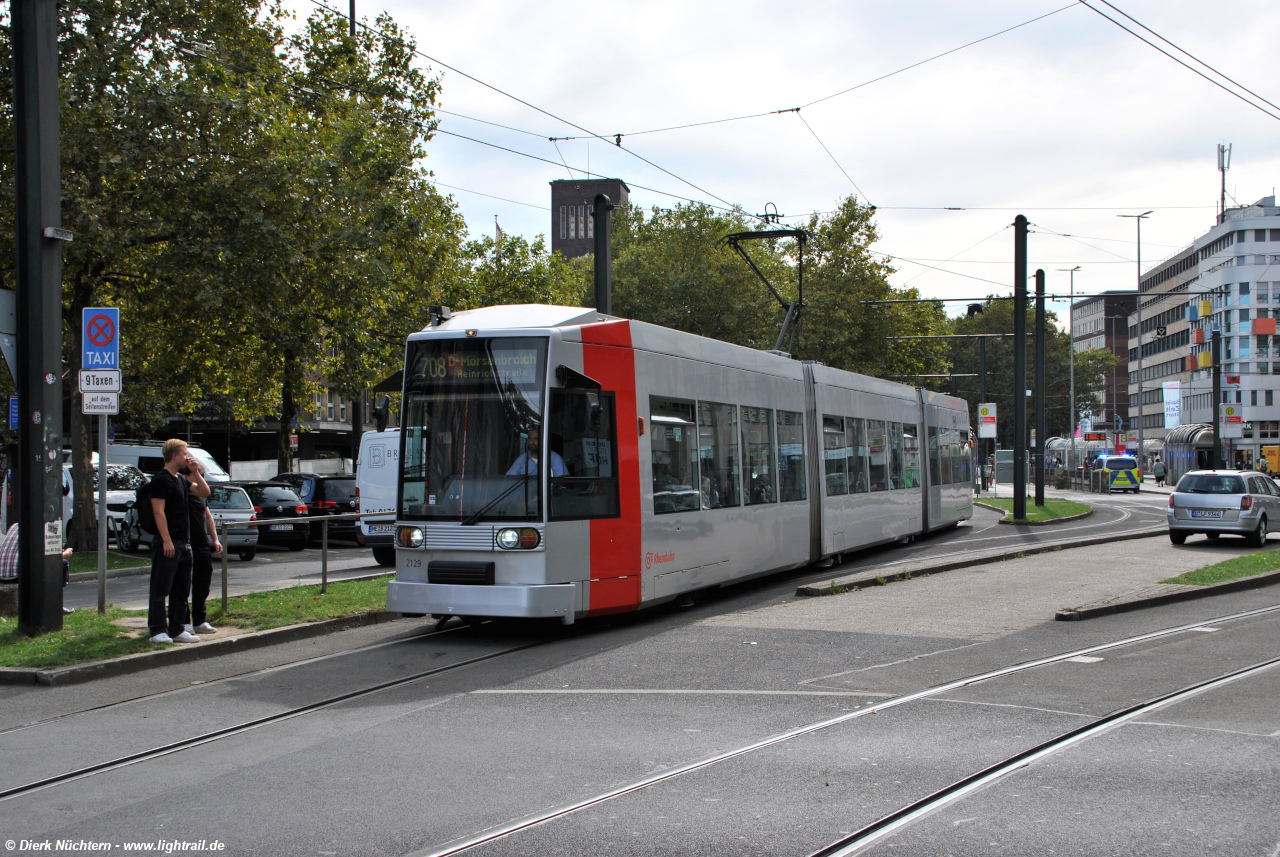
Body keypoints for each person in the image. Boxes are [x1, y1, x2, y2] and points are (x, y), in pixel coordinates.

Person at [148, 439, 211, 644]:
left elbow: (204, 493)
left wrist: (196, 473)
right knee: (161, 587)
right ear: (174, 455)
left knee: (181, 589)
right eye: (184, 454)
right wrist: (166, 540)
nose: (187, 457)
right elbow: (158, 512)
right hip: (169, 541)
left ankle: (177, 628)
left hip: (185, 543)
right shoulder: (161, 480)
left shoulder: (181, 480)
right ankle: (157, 629)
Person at [0, 523, 74, 613]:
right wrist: (65, 553)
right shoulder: (48, 526)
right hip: (20, 575)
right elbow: (48, 556)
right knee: (62, 564)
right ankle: (57, 605)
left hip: (3, 575)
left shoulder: (15, 525)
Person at [185, 465, 222, 636]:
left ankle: (200, 619)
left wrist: (214, 539)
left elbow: (207, 516)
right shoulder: (183, 492)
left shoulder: (201, 495)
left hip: (201, 543)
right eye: (198, 476)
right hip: (185, 541)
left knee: (203, 579)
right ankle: (184, 621)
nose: (201, 479)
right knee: (183, 583)